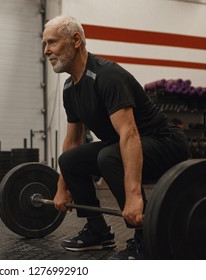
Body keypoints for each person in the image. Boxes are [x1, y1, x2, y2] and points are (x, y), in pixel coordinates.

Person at [42, 15, 189, 259]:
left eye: (52, 42)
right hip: (125, 146)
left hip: (166, 143)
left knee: (109, 156)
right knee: (70, 161)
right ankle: (98, 232)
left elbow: (129, 134)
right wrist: (61, 188)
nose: (46, 51)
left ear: (76, 40)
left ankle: (145, 238)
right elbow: (73, 142)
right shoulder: (70, 89)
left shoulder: (107, 76)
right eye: (44, 44)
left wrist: (133, 199)